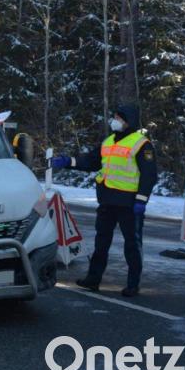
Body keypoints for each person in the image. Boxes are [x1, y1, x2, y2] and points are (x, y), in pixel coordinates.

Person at [51, 104, 157, 297]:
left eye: (119, 118)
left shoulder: (141, 144)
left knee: (132, 245)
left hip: (129, 204)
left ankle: (133, 284)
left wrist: (141, 200)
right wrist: (69, 162)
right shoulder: (108, 142)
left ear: (129, 121)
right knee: (101, 243)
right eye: (115, 117)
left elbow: (149, 175)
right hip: (107, 201)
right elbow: (90, 161)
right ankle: (93, 279)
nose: (115, 121)